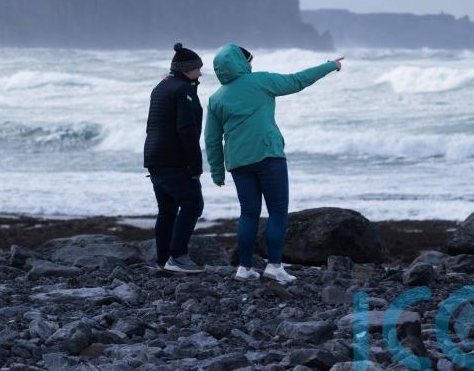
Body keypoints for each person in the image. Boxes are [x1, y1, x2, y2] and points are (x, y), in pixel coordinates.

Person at [205, 44, 343, 283]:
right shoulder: (260, 81)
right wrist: (330, 66)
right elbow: (297, 80)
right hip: (269, 155)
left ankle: (244, 268)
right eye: (248, 61)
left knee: (248, 213)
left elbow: (211, 139)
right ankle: (274, 266)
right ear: (241, 63)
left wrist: (217, 172)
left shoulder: (216, 98)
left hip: (238, 161)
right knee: (277, 212)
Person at [143, 43, 205, 274]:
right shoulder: (183, 89)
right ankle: (178, 257)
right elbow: (186, 129)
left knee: (167, 210)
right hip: (173, 158)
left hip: (154, 155)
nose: (201, 74)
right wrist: (196, 165)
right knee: (193, 203)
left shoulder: (161, 86)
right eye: (198, 69)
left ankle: (162, 259)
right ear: (188, 70)